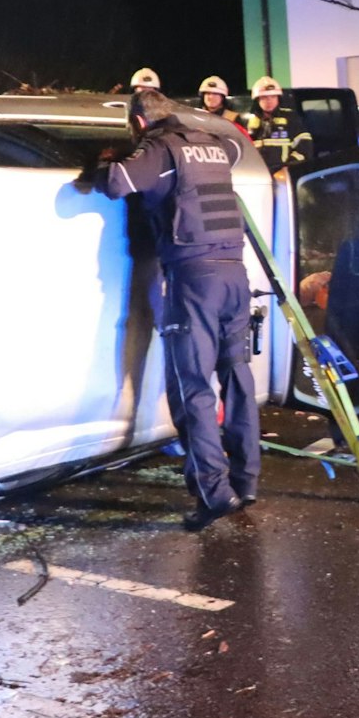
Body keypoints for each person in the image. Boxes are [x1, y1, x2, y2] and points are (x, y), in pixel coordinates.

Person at [80, 87, 260, 530]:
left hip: (193, 279)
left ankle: (214, 494)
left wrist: (106, 159)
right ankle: (246, 480)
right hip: (235, 274)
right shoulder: (215, 145)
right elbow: (235, 153)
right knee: (236, 376)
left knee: (191, 387)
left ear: (140, 122)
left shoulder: (160, 148)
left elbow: (115, 183)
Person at [244, 76, 312, 173]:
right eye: (264, 97)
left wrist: (289, 165)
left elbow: (305, 147)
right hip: (256, 174)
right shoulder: (249, 122)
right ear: (257, 100)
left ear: (278, 98)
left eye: (273, 96)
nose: (269, 101)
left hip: (284, 173)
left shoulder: (290, 117)